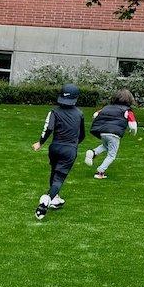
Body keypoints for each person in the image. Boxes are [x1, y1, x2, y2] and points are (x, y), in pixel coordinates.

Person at [32, 84, 86, 220]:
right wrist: (73, 145)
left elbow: (47, 128)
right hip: (69, 149)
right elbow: (82, 135)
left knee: (54, 171)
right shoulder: (79, 114)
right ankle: (47, 198)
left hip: (54, 148)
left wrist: (40, 143)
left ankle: (55, 198)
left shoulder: (54, 112)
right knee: (59, 178)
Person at [84, 89, 138, 179]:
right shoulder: (127, 111)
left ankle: (93, 153)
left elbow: (95, 115)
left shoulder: (106, 108)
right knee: (111, 155)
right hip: (114, 134)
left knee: (106, 146)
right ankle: (100, 172)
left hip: (103, 132)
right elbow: (133, 125)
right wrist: (133, 133)